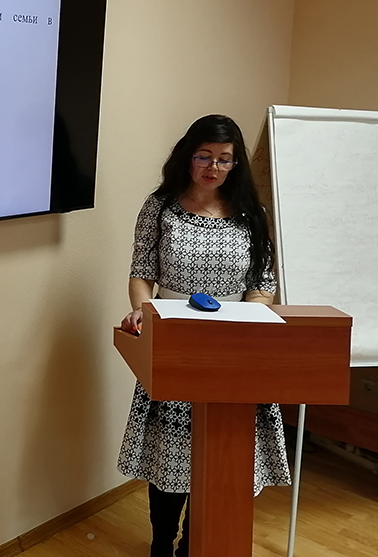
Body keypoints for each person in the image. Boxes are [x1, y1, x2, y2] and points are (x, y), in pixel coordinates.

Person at [116, 114, 291, 557]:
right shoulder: (160, 207)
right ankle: (161, 545)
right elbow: (142, 273)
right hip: (175, 345)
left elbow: (263, 283)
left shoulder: (253, 216)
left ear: (236, 164)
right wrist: (142, 312)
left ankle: (194, 546)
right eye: (204, 157)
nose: (214, 167)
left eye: (224, 159)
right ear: (187, 156)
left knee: (219, 459)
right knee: (170, 458)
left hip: (234, 350)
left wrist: (246, 321)